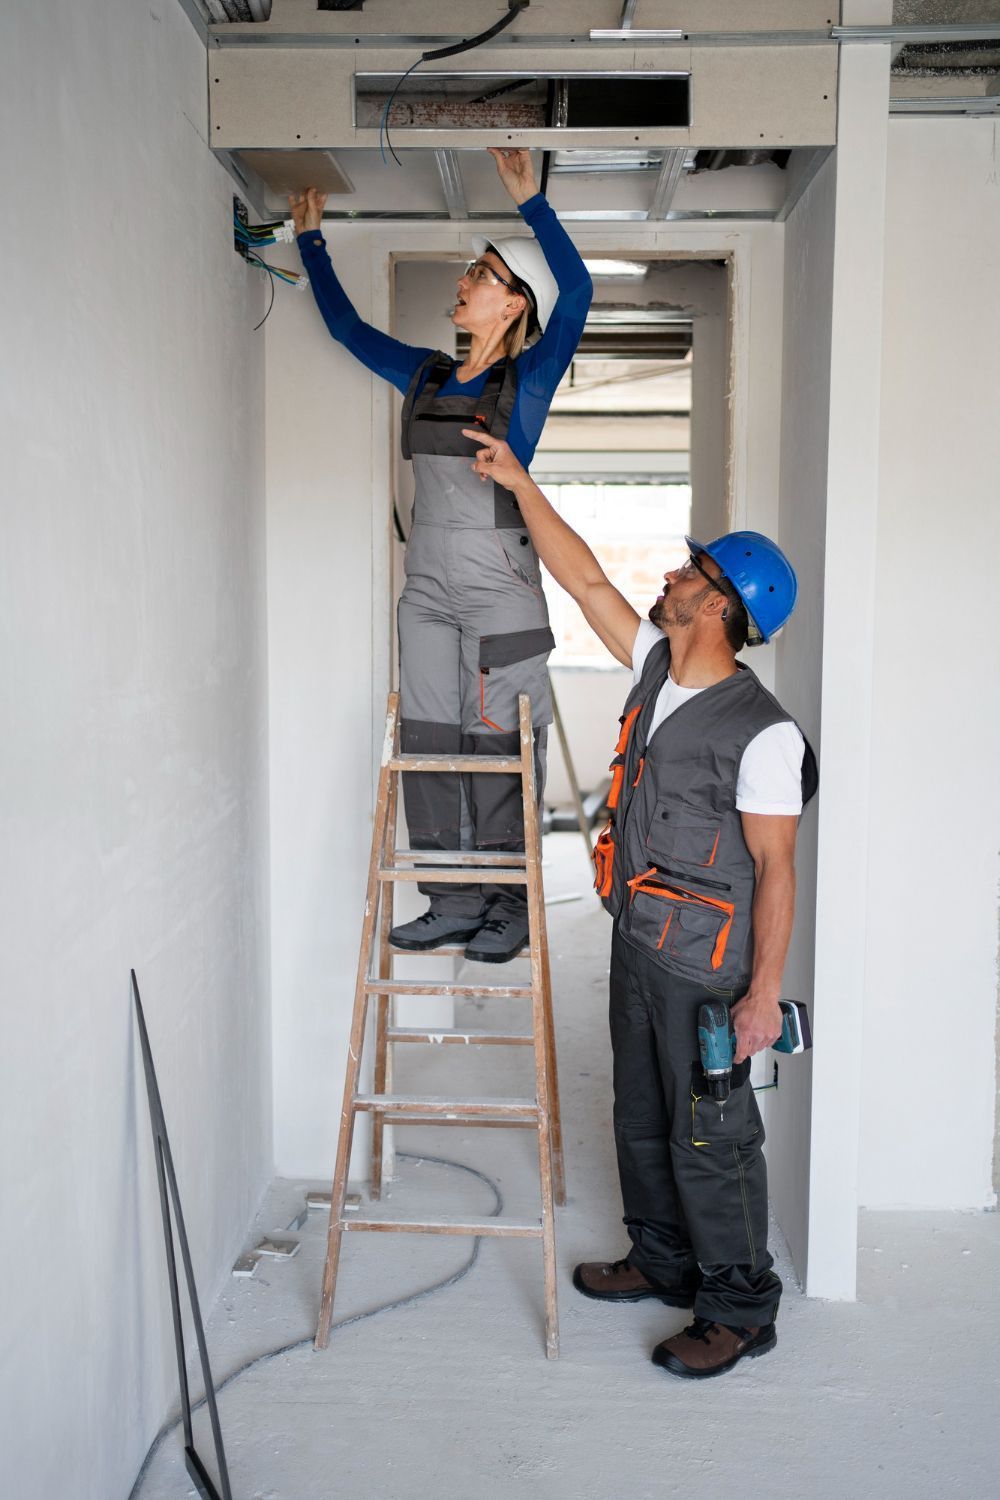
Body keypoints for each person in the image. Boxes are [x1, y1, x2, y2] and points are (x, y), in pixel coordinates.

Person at [460, 429, 818, 1379]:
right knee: (637, 1112)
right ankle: (662, 1260)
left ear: (721, 603)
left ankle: (740, 1308)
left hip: (711, 966)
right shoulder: (656, 669)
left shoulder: (765, 734)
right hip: (639, 939)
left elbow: (776, 871)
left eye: (690, 571)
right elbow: (582, 583)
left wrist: (760, 996)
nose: (671, 575)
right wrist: (519, 481)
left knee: (712, 1131)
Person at [289, 149, 593, 964]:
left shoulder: (528, 382)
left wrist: (533, 206)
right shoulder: (424, 376)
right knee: (429, 740)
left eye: (480, 274)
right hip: (425, 592)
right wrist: (310, 242)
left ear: (514, 301)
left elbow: (582, 297)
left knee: (497, 749)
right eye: (466, 270)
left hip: (502, 595)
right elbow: (348, 331)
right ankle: (452, 898)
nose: (463, 282)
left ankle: (507, 903)